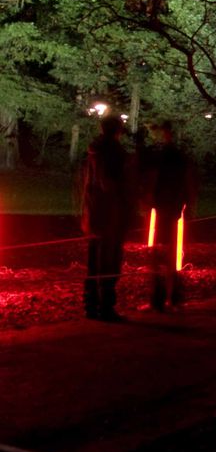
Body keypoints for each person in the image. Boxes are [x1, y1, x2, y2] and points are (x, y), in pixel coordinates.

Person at [80, 115, 134, 321]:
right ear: (117, 130)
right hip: (111, 213)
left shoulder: (94, 151)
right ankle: (106, 306)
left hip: (94, 211)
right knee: (109, 260)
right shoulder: (114, 154)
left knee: (94, 260)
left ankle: (91, 305)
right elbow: (111, 183)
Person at [139, 121, 197, 311]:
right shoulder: (177, 157)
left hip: (165, 208)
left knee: (160, 254)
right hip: (171, 208)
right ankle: (173, 298)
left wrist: (149, 199)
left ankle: (161, 299)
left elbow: (155, 180)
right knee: (167, 254)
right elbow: (188, 182)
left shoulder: (165, 157)